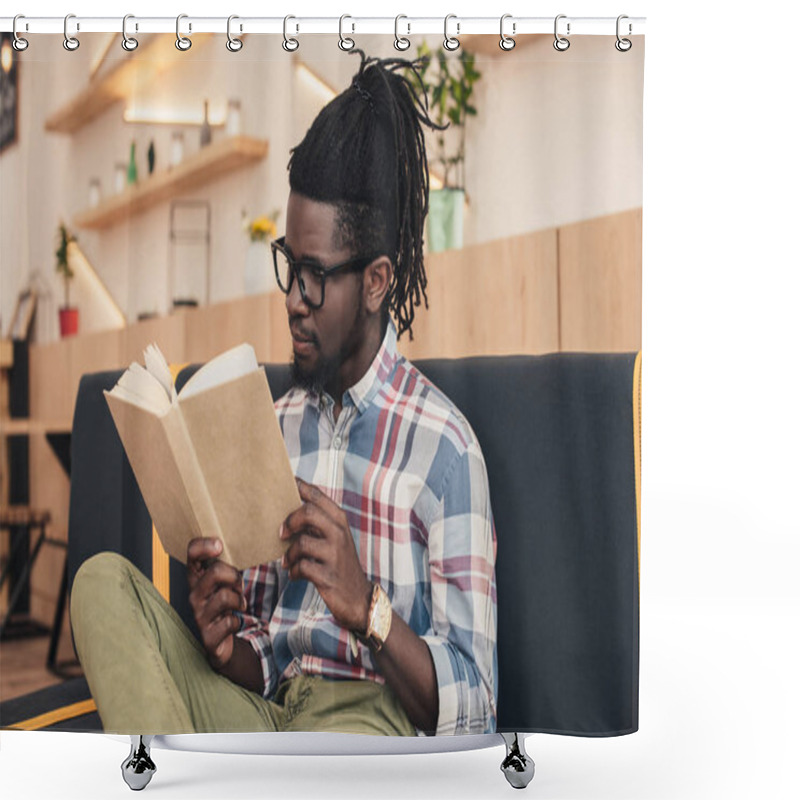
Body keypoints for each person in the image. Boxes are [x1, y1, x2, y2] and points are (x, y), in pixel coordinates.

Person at [71, 50, 497, 737]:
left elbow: (477, 705)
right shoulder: (275, 423)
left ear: (378, 280)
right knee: (101, 583)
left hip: (367, 726)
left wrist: (369, 609)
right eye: (288, 268)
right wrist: (226, 644)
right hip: (271, 715)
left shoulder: (444, 451)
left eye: (316, 276)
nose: (294, 300)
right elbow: (268, 654)